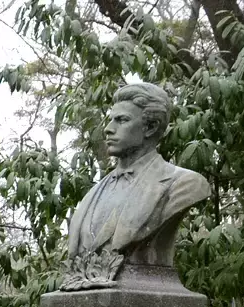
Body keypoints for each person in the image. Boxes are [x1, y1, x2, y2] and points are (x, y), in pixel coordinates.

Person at [64, 83, 209, 285]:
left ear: (150, 127)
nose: (108, 129)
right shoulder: (95, 192)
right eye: (110, 120)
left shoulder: (184, 184)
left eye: (122, 120)